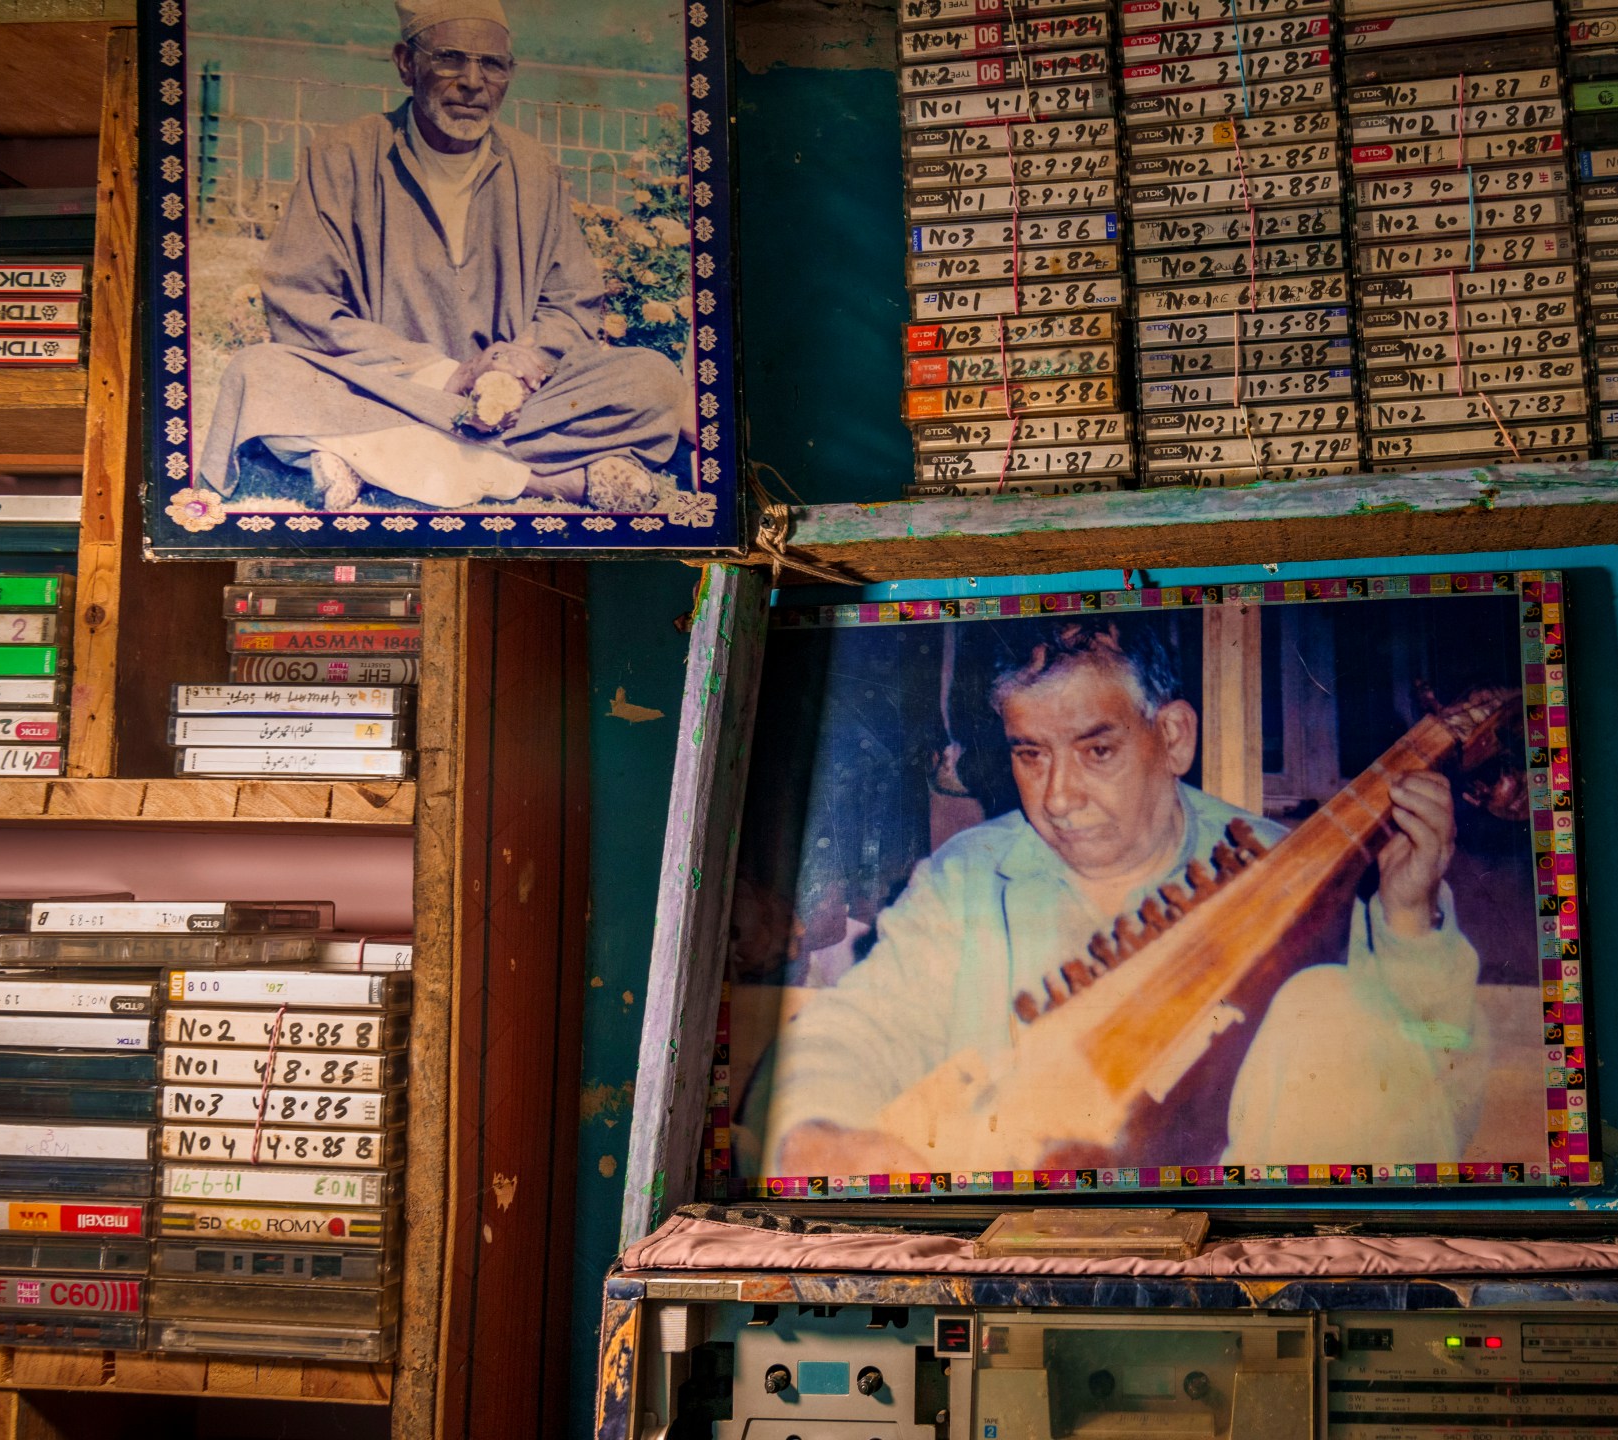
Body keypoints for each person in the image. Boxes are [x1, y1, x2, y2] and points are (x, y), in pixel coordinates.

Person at [761, 620, 1484, 1178]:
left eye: (1096, 750)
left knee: (1330, 1005)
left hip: (1228, 1270)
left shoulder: (1287, 874)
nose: (1058, 797)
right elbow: (853, 1031)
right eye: (1030, 753)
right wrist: (819, 1134)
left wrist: (1411, 925)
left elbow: (1438, 1098)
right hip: (1024, 1252)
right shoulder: (969, 879)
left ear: (1171, 737)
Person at [198, 0, 686, 511]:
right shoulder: (343, 156)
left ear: (509, 74)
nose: (473, 82)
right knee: (258, 373)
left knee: (651, 380)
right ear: (407, 63)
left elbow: (572, 299)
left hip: (514, 402)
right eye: (451, 58)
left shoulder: (533, 168)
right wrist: (442, 376)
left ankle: (373, 458)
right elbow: (301, 301)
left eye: (492, 64)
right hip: (389, 387)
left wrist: (525, 360)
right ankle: (544, 482)